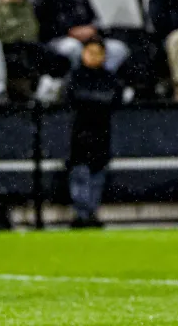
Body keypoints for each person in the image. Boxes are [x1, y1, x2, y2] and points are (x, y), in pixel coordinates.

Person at [35, 0, 130, 73]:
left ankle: (104, 80)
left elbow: (95, 18)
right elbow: (44, 27)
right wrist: (69, 32)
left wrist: (93, 29)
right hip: (59, 39)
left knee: (118, 49)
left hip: (89, 38)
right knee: (73, 48)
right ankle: (76, 82)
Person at [66, 38, 121, 229]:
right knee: (80, 174)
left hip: (101, 135)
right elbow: (74, 96)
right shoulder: (76, 76)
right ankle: (81, 214)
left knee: (97, 176)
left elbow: (114, 97)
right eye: (90, 52)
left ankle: (91, 212)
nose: (93, 57)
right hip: (80, 137)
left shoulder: (108, 78)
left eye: (98, 53)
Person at [0, 0, 70, 102]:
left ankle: (52, 87)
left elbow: (31, 29)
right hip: (8, 46)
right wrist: (15, 25)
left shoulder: (26, 8)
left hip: (28, 44)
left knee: (54, 56)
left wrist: (15, 29)